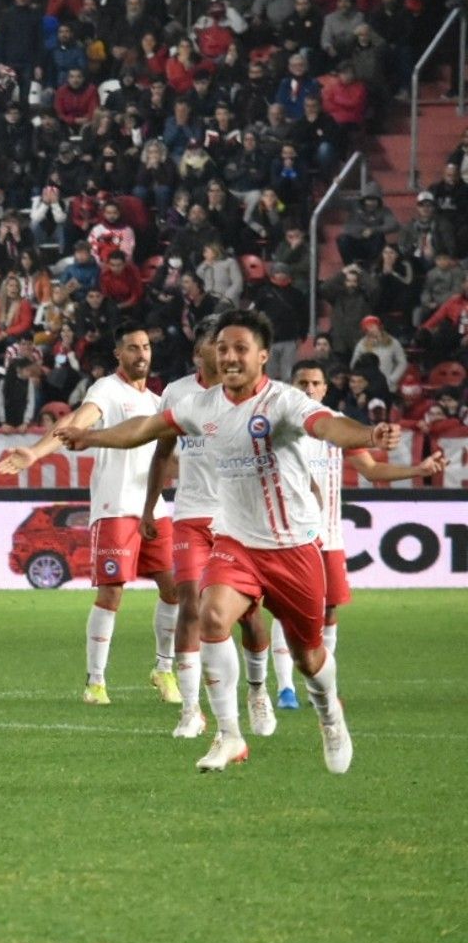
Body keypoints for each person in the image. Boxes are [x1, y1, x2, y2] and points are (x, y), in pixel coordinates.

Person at [56, 310, 403, 775]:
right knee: (211, 616)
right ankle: (229, 735)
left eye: (241, 348)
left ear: (262, 356)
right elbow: (145, 429)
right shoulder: (203, 405)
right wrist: (90, 436)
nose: (230, 356)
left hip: (292, 547)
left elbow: (327, 427)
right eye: (223, 348)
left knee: (309, 657)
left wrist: (369, 435)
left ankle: (329, 714)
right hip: (235, 541)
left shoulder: (285, 402)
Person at [0, 325, 180, 706]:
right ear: (119, 354)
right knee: (111, 593)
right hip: (114, 507)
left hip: (153, 508)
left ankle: (164, 669)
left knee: (173, 588)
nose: (141, 354)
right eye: (133, 347)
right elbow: (75, 424)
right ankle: (95, 682)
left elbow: (166, 456)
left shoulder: (159, 401)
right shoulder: (106, 391)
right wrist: (35, 452)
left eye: (146, 346)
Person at [263, 360, 445, 711]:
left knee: (329, 611)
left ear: (326, 388)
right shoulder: (281, 424)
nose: (309, 389)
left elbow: (372, 468)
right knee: (288, 612)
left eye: (316, 383)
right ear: (291, 385)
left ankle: (323, 688)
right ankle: (285, 688)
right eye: (302, 383)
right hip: (290, 537)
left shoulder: (334, 426)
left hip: (330, 537)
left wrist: (417, 470)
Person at [139, 316, 273, 739]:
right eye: (214, 347)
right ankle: (192, 710)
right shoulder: (178, 395)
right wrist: (149, 508)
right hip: (191, 514)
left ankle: (257, 691)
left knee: (249, 614)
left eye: (229, 348)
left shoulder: (250, 394)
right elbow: (161, 453)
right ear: (201, 352)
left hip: (238, 517)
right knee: (190, 605)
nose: (223, 354)